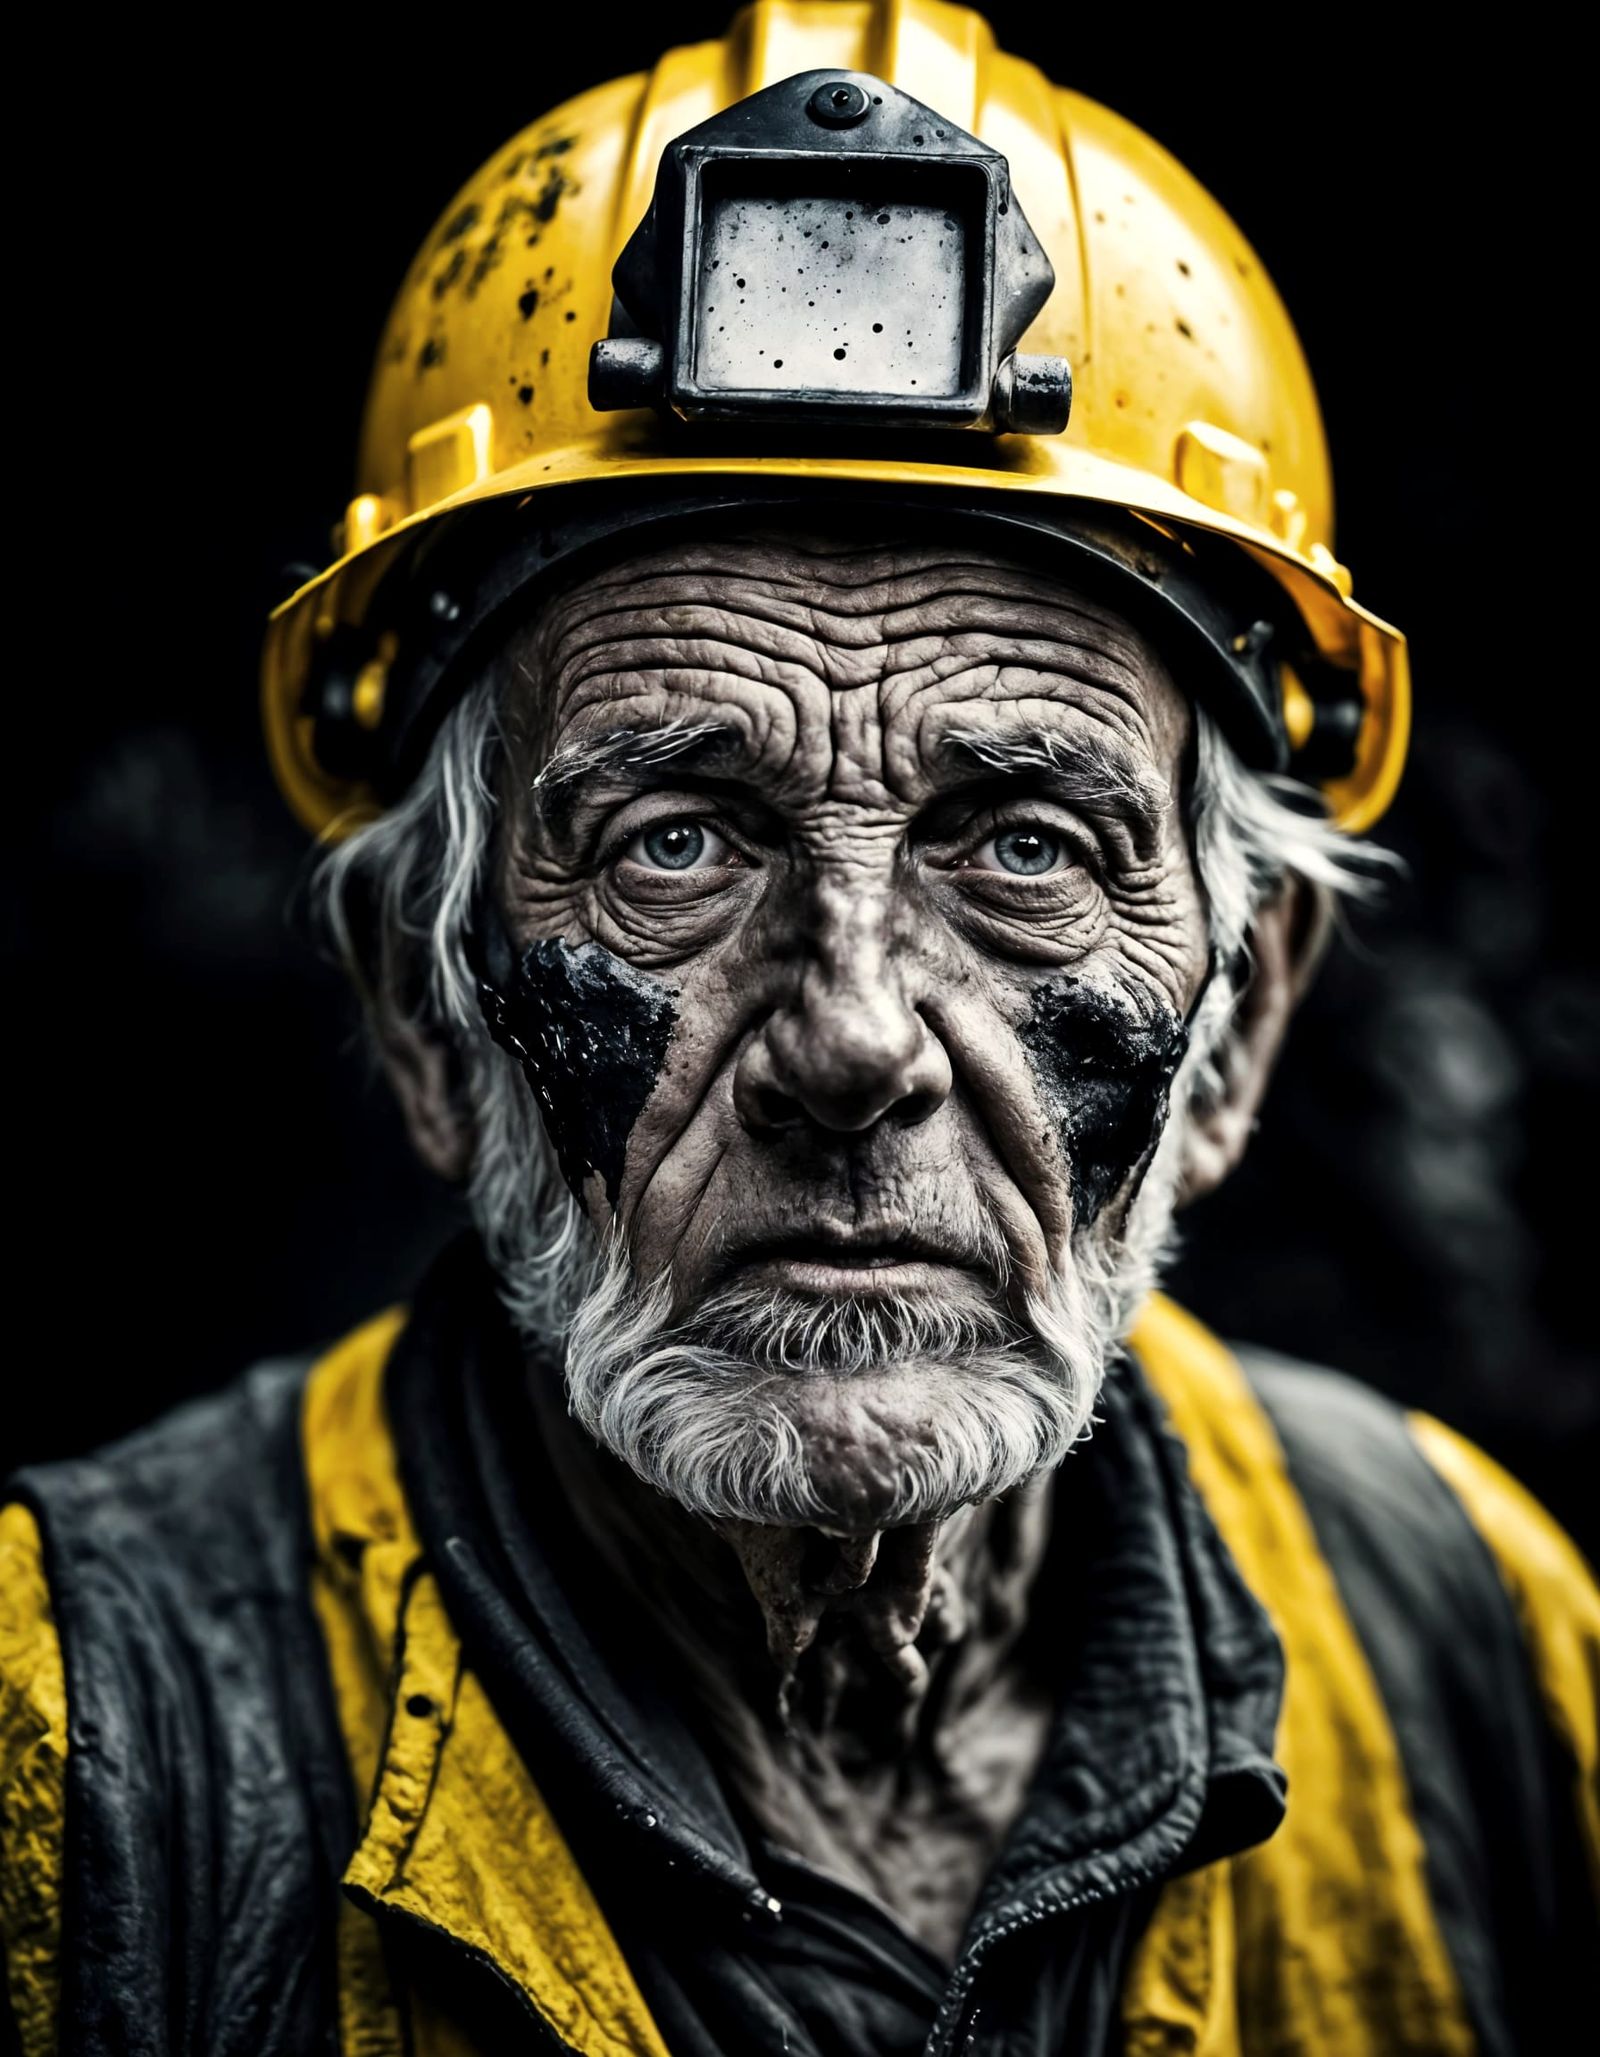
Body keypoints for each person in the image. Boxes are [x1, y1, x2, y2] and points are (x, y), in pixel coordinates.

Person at [3, 6, 1595, 2053]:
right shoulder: (86, 1750)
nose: (848, 1038)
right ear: (424, 1000)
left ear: (1241, 1012)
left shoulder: (1474, 1648)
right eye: (673, 842)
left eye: (1021, 844)